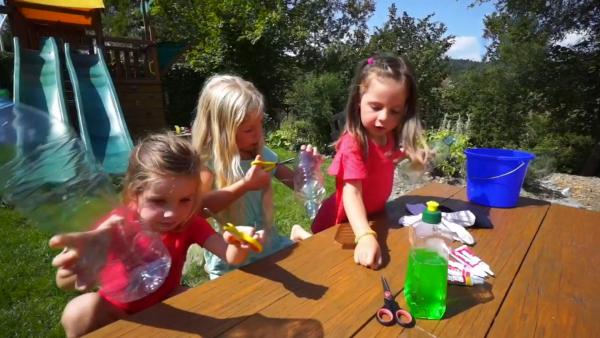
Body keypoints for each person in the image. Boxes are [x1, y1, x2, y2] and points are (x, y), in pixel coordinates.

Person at [49, 133, 258, 337]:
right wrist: (77, 265)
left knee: (191, 297)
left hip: (164, 307)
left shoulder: (190, 223)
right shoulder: (116, 225)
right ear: (134, 193)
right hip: (115, 312)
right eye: (158, 201)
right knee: (78, 310)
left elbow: (230, 256)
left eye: (185, 200)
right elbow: (64, 283)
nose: (172, 213)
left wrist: (238, 245)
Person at [191, 74, 314, 280]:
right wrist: (245, 185)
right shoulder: (208, 164)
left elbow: (295, 184)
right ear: (223, 131)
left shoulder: (261, 154)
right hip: (232, 256)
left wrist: (308, 170)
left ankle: (295, 234)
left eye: (260, 125)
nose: (258, 135)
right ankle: (297, 235)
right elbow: (200, 210)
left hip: (268, 245)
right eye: (249, 129)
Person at [311, 54, 428, 270]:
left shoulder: (389, 137)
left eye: (394, 111)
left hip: (372, 217)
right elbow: (352, 191)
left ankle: (301, 234)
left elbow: (386, 159)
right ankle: (301, 234)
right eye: (375, 107)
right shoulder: (353, 143)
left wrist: (411, 156)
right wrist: (364, 235)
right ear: (358, 100)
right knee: (330, 266)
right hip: (343, 223)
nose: (384, 117)